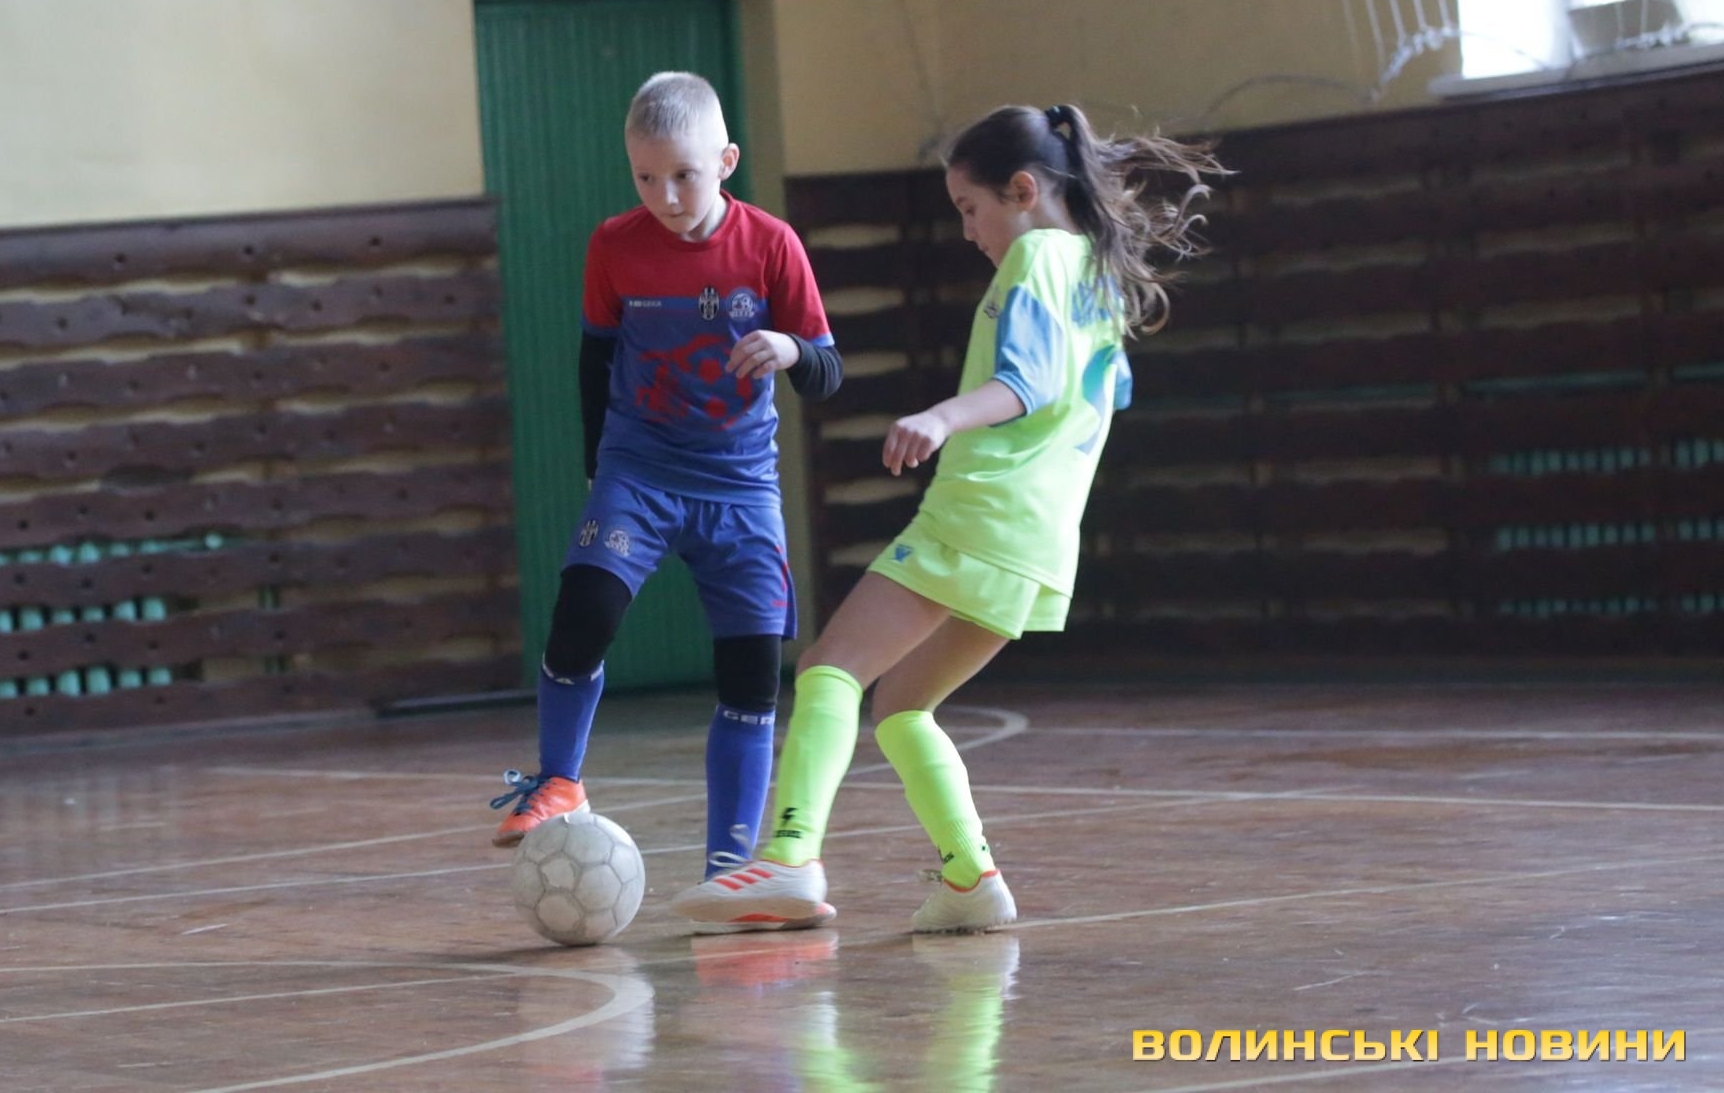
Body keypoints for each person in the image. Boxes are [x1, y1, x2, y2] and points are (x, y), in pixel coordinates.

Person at [671, 102, 1223, 933]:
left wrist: (941, 417)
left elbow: (1027, 385)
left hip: (979, 514)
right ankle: (969, 878)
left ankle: (788, 858)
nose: (967, 232)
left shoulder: (1034, 255)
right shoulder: (1098, 278)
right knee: (901, 706)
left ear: (1022, 190)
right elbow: (1106, 393)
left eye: (969, 208)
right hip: (1041, 541)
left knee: (828, 670)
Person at [490, 72, 843, 933]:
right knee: (584, 608)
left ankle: (731, 869)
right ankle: (559, 779)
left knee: (751, 673)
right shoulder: (614, 246)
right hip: (639, 470)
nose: (666, 197)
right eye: (645, 178)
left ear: (725, 160)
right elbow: (593, 361)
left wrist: (791, 349)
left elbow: (827, 372)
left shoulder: (771, 246)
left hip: (740, 487)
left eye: (683, 175)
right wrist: (596, 470)